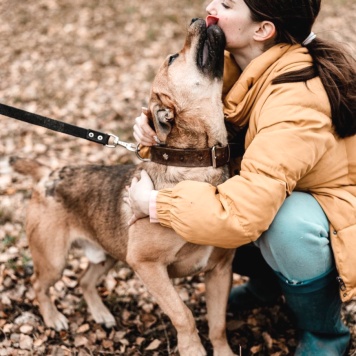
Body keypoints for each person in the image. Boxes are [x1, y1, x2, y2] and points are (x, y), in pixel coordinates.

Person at [128, 0, 356, 354]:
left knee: (285, 223)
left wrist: (156, 203)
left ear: (262, 30)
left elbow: (243, 215)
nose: (210, 6)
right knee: (243, 202)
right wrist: (155, 131)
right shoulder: (241, 66)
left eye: (227, 4)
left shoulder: (295, 99)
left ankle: (324, 333)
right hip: (269, 192)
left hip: (334, 216)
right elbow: (204, 134)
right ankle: (269, 284)